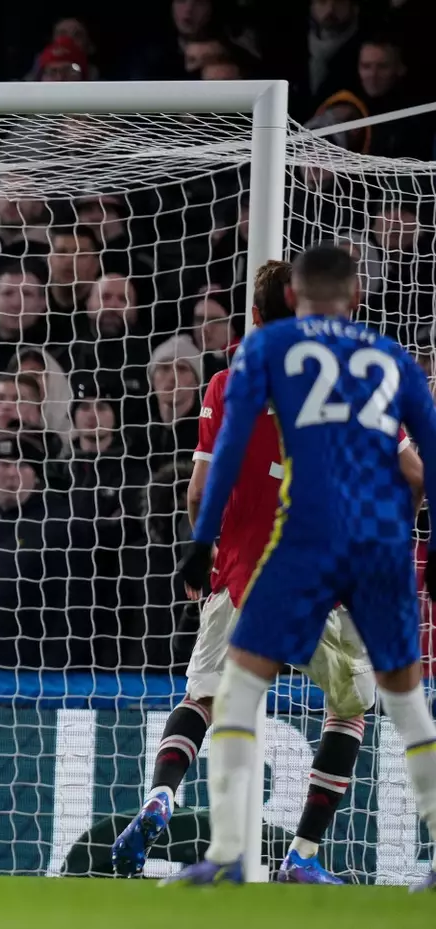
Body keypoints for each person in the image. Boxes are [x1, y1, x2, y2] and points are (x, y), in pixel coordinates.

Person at [114, 259, 421, 881]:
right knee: (347, 712)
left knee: (202, 699)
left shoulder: (228, 384)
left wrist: (203, 553)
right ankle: (302, 857)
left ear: (253, 318)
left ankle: (162, 796)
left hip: (241, 571)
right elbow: (414, 475)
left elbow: (199, 491)